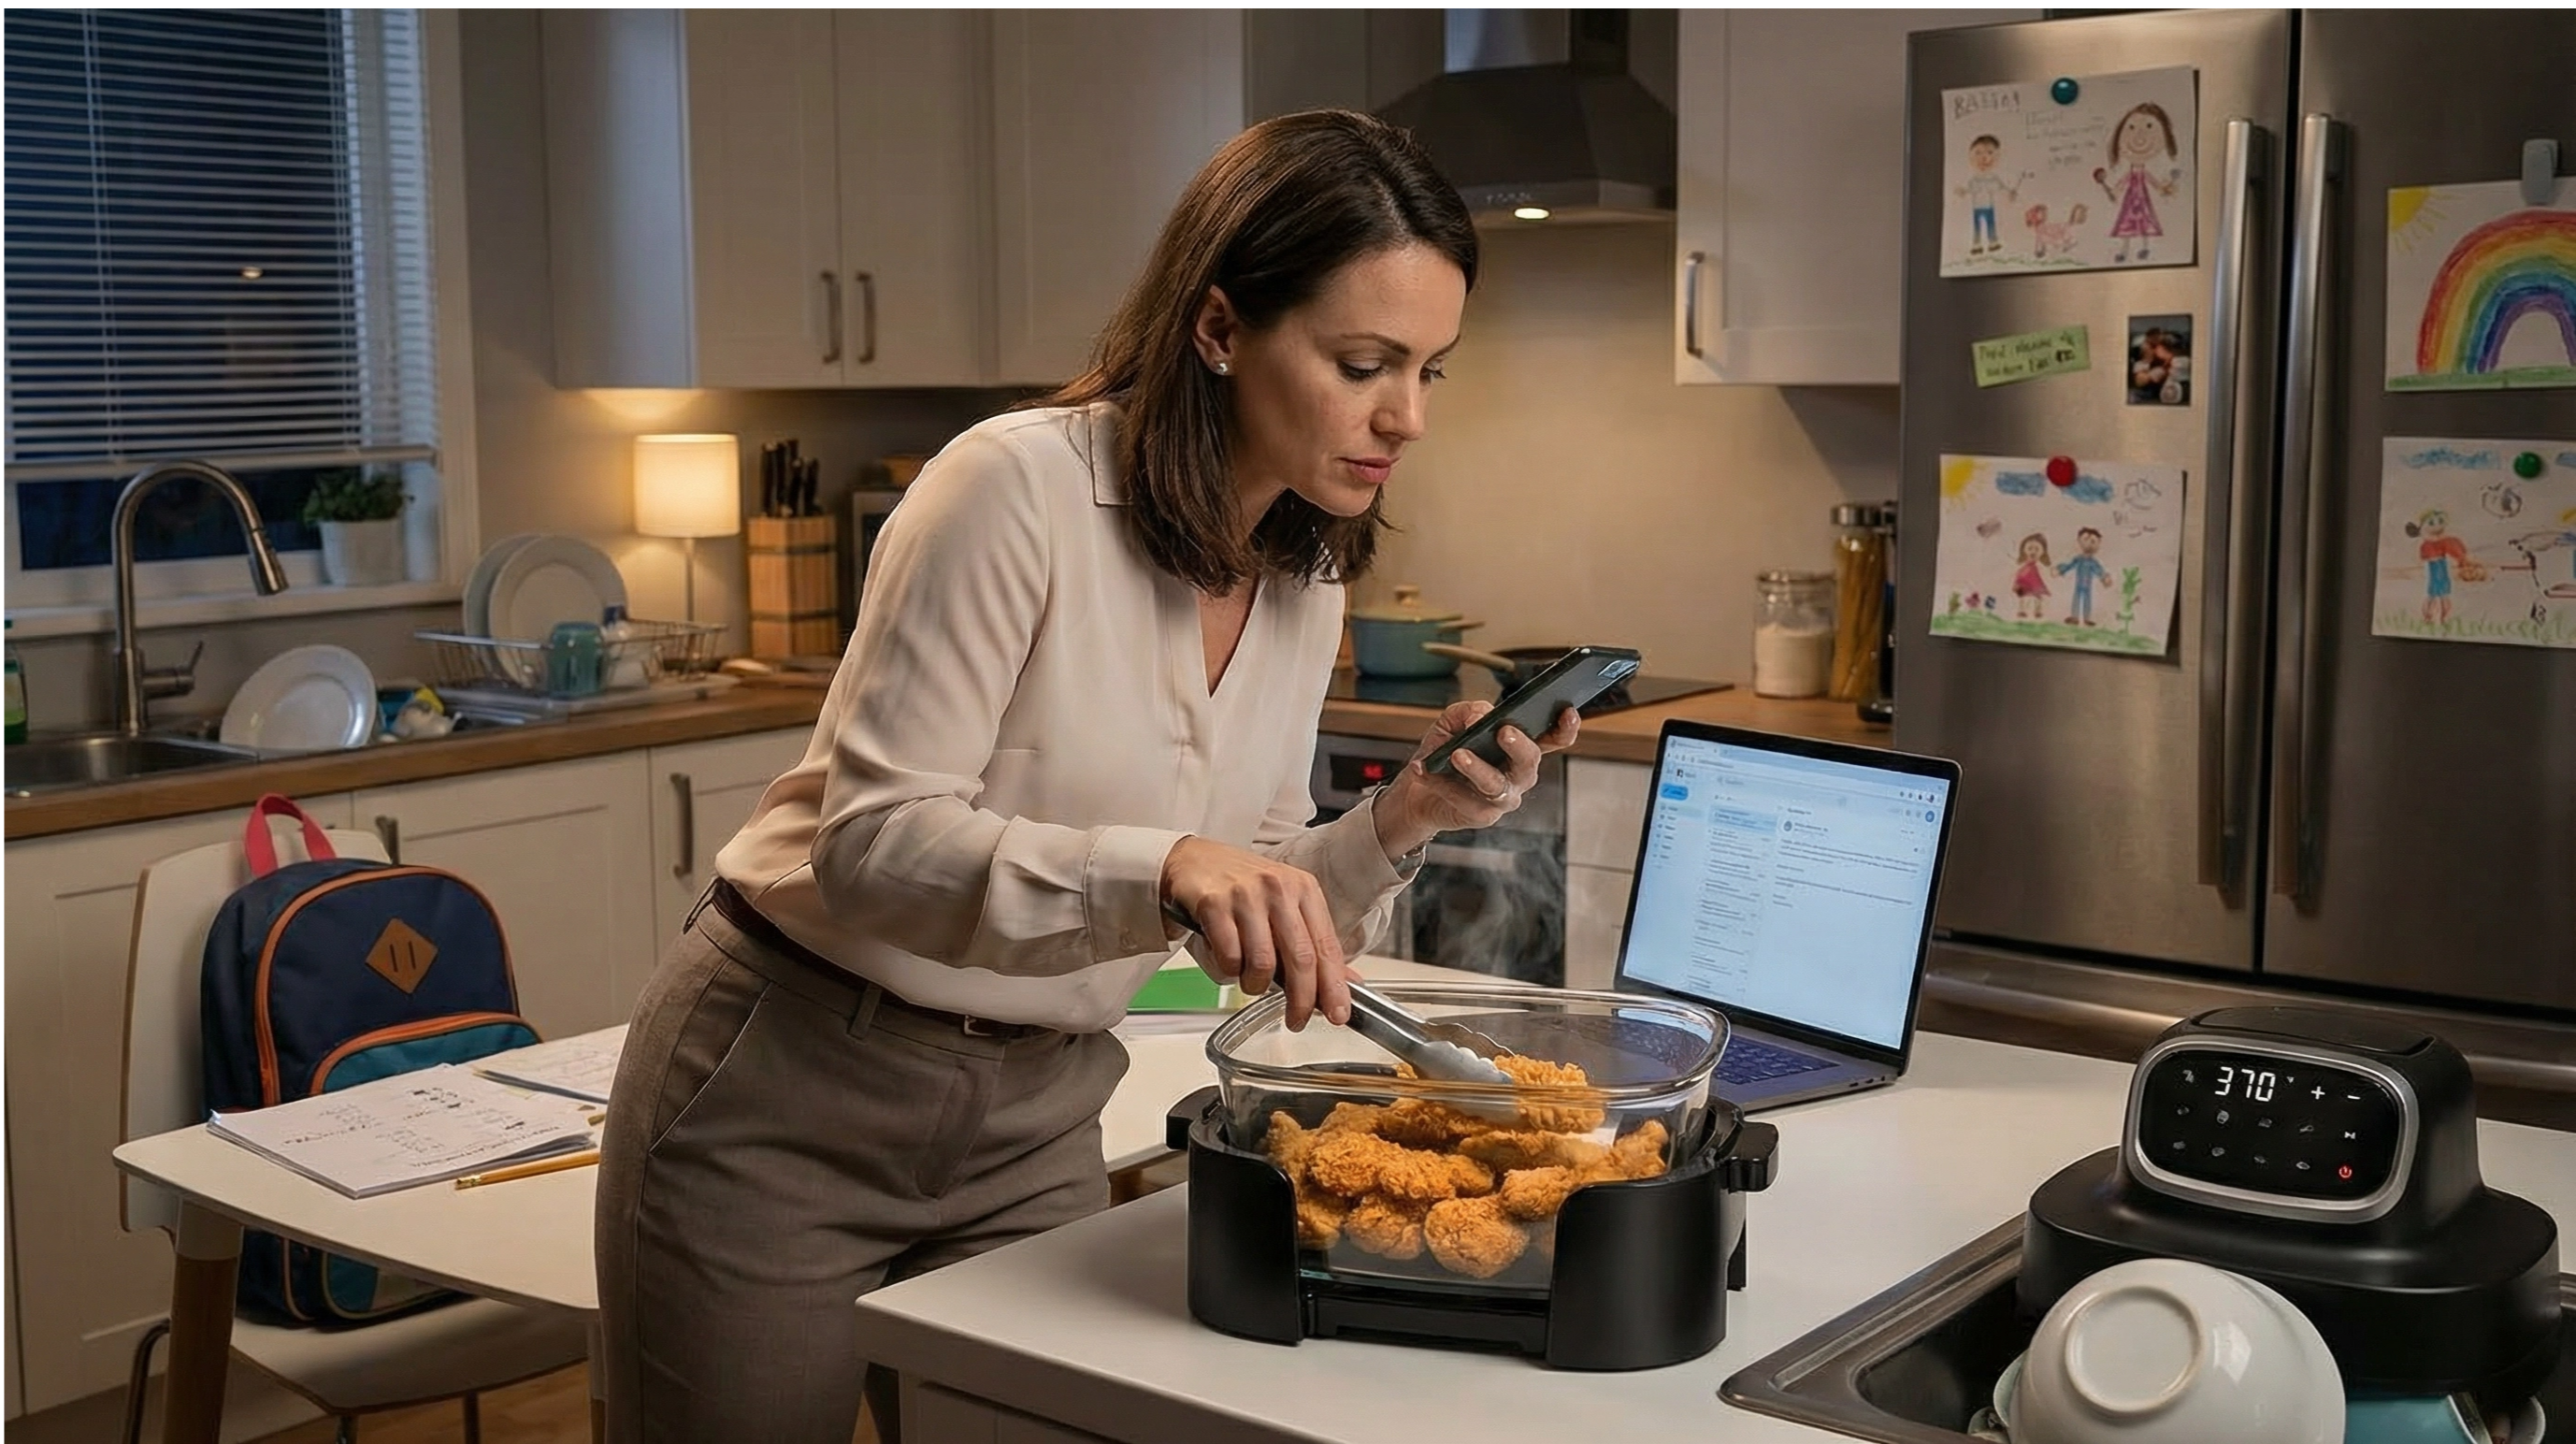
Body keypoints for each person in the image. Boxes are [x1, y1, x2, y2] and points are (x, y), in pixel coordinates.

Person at [593, 108, 1578, 1444]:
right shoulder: (1009, 492)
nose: (1404, 416)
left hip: (1038, 1113)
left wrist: (1408, 816)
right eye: (1363, 363)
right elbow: (873, 846)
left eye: (1430, 371)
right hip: (786, 1096)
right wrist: (1163, 865)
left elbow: (1263, 902)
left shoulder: (1300, 577)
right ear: (1220, 329)